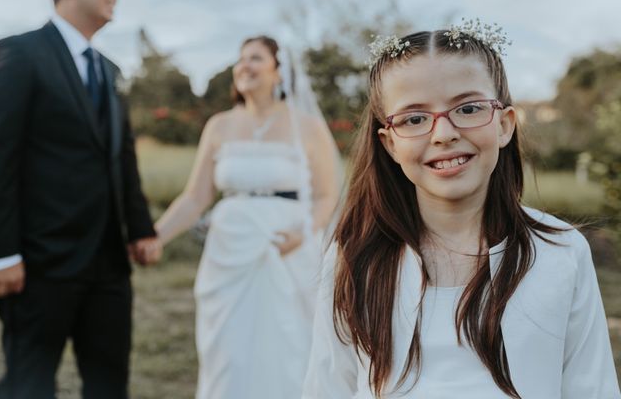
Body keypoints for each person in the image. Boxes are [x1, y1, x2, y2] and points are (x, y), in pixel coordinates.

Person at [302, 24, 621, 398]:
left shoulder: (561, 252)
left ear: (504, 125)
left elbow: (592, 388)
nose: (443, 134)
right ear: (390, 145)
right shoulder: (354, 258)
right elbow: (326, 388)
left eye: (468, 108)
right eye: (414, 118)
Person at [0, 0, 161, 398]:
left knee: (109, 385)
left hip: (108, 267)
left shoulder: (111, 71)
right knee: (29, 385)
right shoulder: (18, 53)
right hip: (38, 265)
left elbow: (122, 160)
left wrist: (140, 228)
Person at [154, 35, 341, 398]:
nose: (245, 66)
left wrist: (304, 231)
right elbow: (196, 197)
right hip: (230, 252)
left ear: (278, 71)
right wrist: (153, 237)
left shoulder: (307, 126)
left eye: (255, 58)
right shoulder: (219, 125)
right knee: (228, 349)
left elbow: (325, 195)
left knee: (289, 344)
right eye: (241, 59)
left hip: (289, 249)